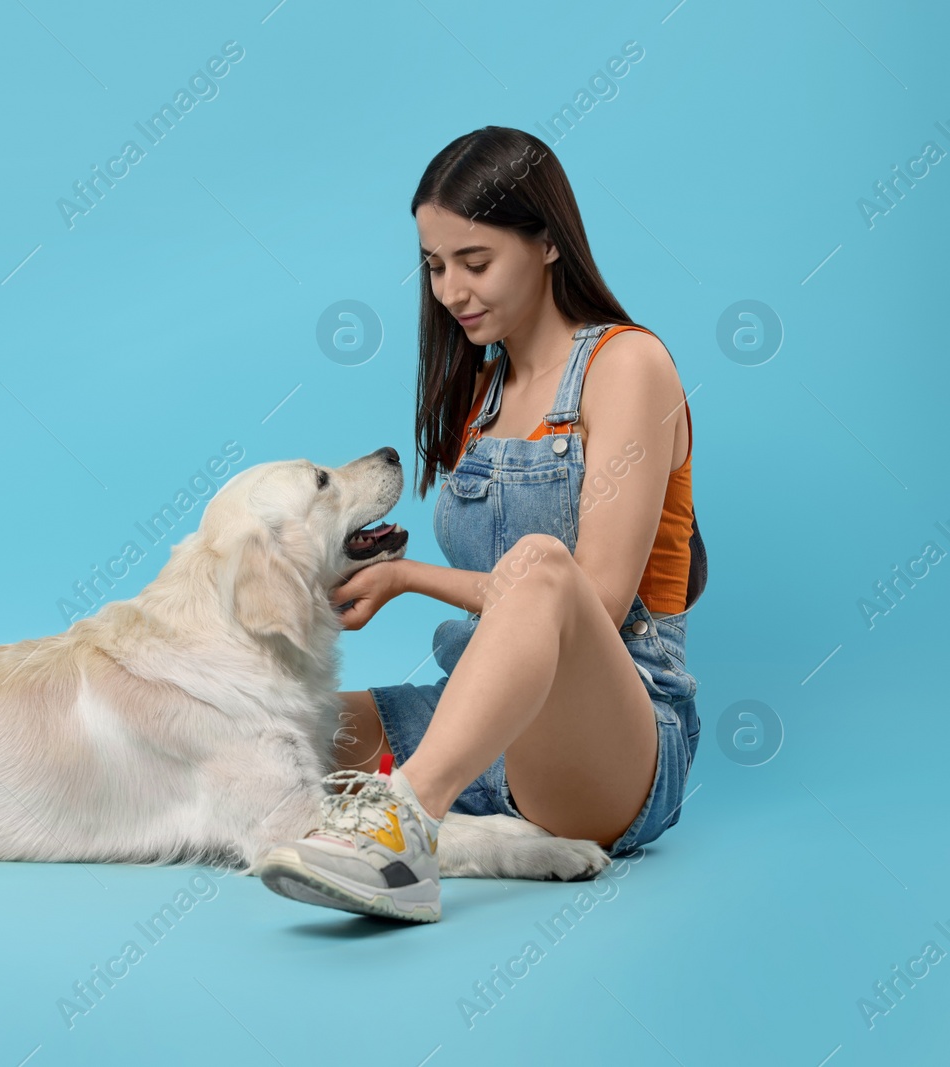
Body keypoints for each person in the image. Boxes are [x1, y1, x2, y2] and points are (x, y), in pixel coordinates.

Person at [255, 126, 706, 922]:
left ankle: (401, 832)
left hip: (616, 741)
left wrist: (406, 577)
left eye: (475, 262)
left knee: (541, 562)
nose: (450, 291)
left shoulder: (628, 366)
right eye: (434, 266)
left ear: (548, 245)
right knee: (268, 734)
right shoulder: (482, 395)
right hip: (472, 721)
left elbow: (590, 598)